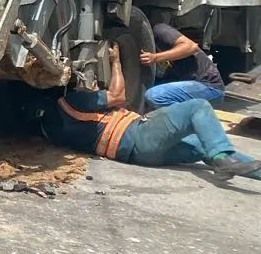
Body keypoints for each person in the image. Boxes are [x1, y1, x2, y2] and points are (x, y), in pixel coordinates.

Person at [40, 42, 259, 176]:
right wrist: (116, 62)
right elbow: (118, 96)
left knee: (205, 145)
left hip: (140, 155)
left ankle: (230, 161)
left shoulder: (53, 127)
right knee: (198, 108)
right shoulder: (73, 101)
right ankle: (222, 159)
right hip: (137, 135)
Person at [141, 17, 225, 108]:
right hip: (191, 85)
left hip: (209, 86)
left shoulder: (159, 30)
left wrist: (155, 57)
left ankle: (189, 115)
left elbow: (190, 46)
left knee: (154, 96)